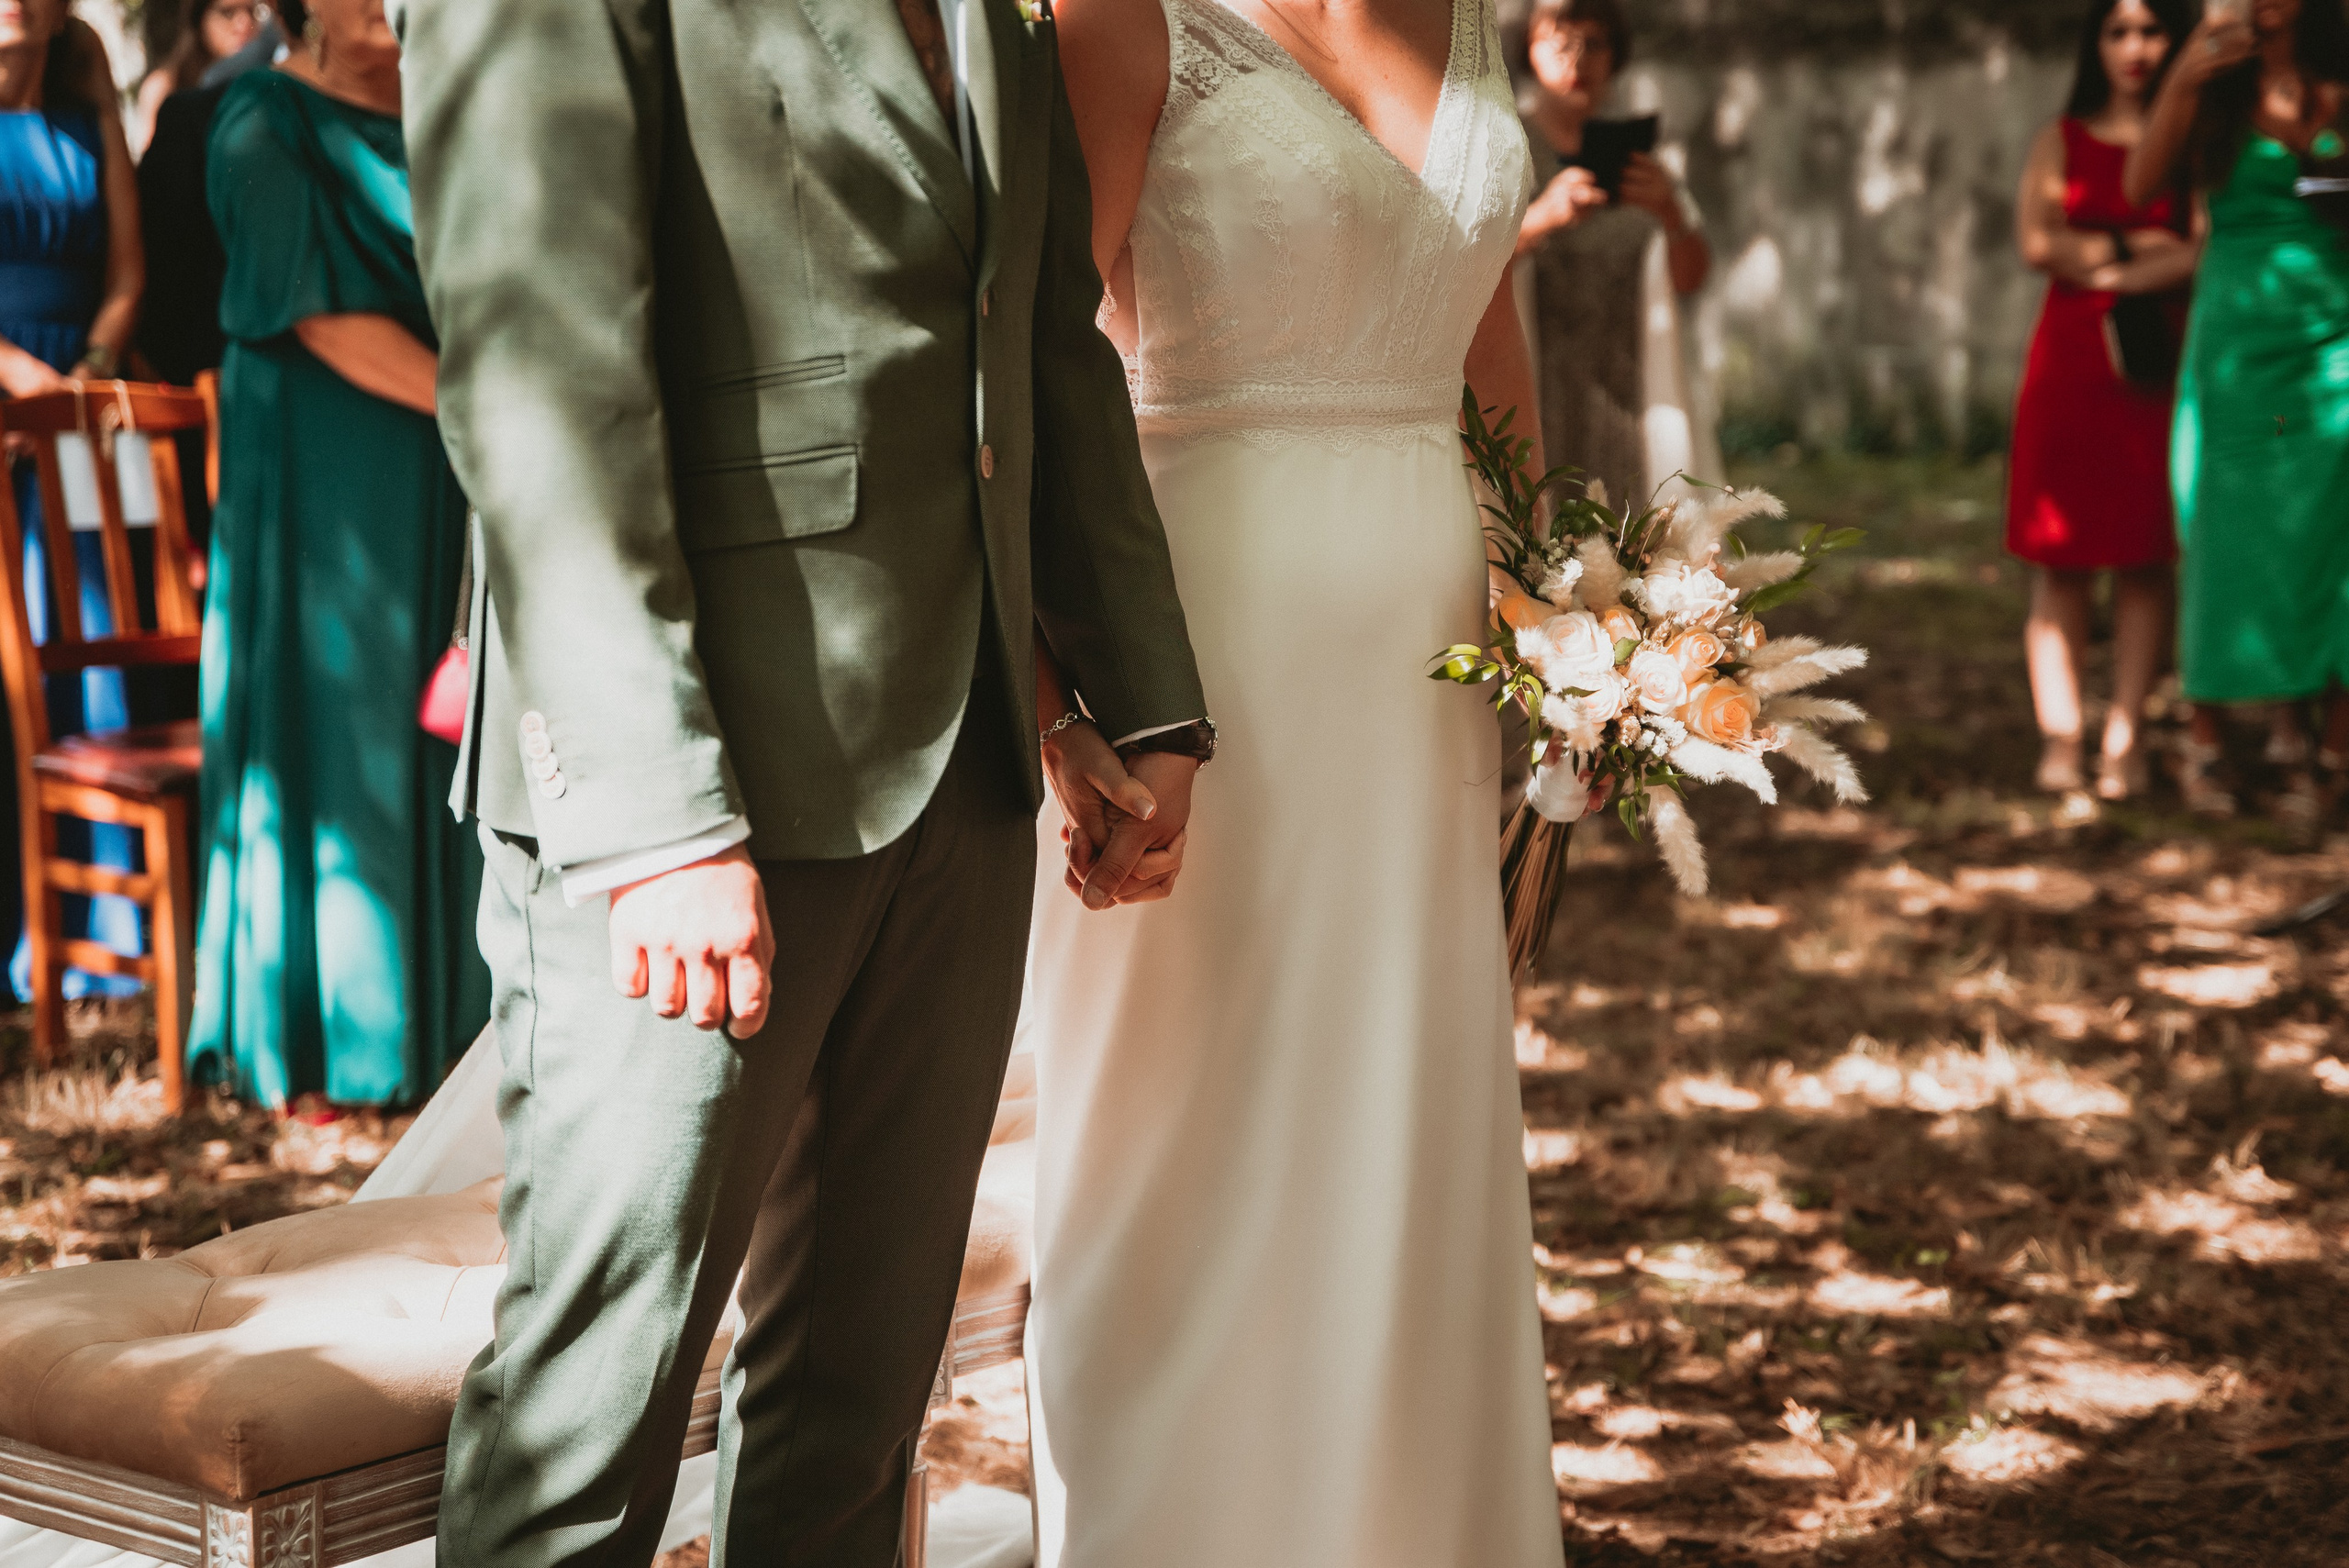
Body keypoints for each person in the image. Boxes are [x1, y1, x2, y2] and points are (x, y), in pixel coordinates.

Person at [394, 0, 1209, 1559]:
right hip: (688, 797)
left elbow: (1037, 336)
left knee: (857, 1405)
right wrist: (656, 823)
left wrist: (1137, 690)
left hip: (959, 771)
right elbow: (542, 389)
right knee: (593, 1415)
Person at [1018, 0, 1565, 1563]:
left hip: (1432, 665)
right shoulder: (1128, 20)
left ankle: (1405, 1519)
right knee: (1179, 1098)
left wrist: (1573, 600)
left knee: (1399, 1076)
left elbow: (1488, 331)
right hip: (1199, 633)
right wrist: (1080, 690)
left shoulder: (1469, 21)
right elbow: (1045, 355)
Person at [188, 0, 487, 1109]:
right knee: (346, 720)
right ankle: (332, 1041)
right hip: (327, 479)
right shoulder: (260, 121)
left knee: (442, 715)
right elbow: (320, 317)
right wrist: (492, 409)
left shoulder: (456, 109)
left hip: (447, 463)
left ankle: (458, 1024)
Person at [2128, 0, 2349, 827]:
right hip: (2238, 343)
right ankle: (2206, 736)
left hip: (2335, 336)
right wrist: (2190, 63)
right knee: (2223, 530)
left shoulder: (2339, 79)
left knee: (2337, 536)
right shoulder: (2210, 89)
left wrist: (2319, 148)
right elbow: (2138, 184)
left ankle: (2330, 754)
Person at [2007, 0, 2199, 807]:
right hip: (2072, 365)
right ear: (2096, 43)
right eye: (2118, 31)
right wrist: (2131, 250)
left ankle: (2125, 738)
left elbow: (2199, 253)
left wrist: (2101, 262)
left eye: (2152, 30)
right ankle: (2062, 740)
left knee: (2145, 558)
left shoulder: (2193, 136)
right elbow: (2035, 242)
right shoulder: (2062, 135)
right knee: (2063, 561)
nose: (2135, 47)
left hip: (2159, 364)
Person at [0, 0, 147, 1006]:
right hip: (17, 399)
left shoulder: (88, 106)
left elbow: (129, 271)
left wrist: (88, 371)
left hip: (76, 410)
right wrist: (23, 385)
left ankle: (100, 934)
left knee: (85, 640)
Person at [1513, 0, 1717, 508]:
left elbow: (1692, 278)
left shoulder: (1643, 158)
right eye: (1560, 43)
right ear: (1529, 50)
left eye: (1595, 44)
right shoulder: (1505, 147)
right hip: (1530, 381)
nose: (1577, 60)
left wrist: (1671, 213)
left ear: (1616, 54)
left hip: (1632, 393)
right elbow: (1459, 266)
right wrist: (1541, 219)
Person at [128, 0, 262, 158]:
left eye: (252, 12)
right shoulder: (164, 85)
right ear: (200, 18)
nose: (244, 25)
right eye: (228, 13)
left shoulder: (267, 78)